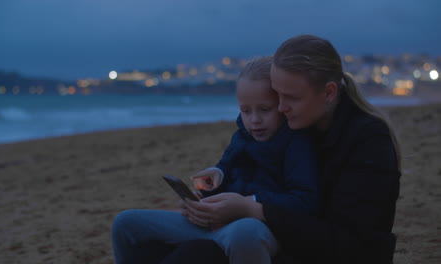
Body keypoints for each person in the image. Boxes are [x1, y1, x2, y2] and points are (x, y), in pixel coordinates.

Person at [161, 34, 401, 264]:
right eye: (277, 97)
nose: (281, 108)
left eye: (291, 98)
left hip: (336, 255)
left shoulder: (368, 141)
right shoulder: (299, 126)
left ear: (328, 92)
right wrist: (213, 202)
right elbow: (257, 177)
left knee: (199, 254)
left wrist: (252, 209)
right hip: (289, 244)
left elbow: (348, 244)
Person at [111, 56, 319, 264]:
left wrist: (249, 203)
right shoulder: (242, 135)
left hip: (256, 229)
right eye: (246, 110)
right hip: (214, 224)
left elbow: (304, 201)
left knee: (245, 233)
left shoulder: (296, 142)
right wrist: (208, 190)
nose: (254, 120)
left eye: (264, 109)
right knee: (125, 223)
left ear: (282, 105)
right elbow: (225, 168)